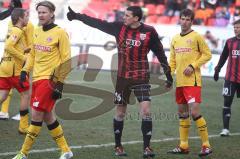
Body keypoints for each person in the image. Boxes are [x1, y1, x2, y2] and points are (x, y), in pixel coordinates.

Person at [67, 5, 173, 158]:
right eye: (124, 15)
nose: (124, 18)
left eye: (127, 15)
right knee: (120, 113)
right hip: (122, 78)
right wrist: (77, 16)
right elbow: (98, 23)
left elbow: (160, 53)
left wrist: (168, 75)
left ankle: (147, 148)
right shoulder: (118, 27)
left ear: (136, 18)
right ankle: (118, 146)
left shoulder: (149, 32)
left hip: (141, 77)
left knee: (146, 111)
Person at [12, 1, 73, 159]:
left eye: (44, 12)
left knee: (36, 116)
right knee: (48, 117)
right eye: (39, 12)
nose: (41, 15)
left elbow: (67, 60)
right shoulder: (37, 31)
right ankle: (66, 150)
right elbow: (32, 54)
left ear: (52, 13)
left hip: (50, 81)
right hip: (37, 79)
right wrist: (25, 71)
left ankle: (23, 153)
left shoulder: (60, 33)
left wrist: (60, 83)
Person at [168, 9, 212, 157]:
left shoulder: (197, 37)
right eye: (183, 18)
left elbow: (207, 55)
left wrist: (193, 66)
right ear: (179, 20)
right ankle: (183, 146)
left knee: (194, 112)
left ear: (192, 21)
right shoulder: (174, 39)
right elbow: (172, 60)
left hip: (192, 82)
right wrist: (169, 75)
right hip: (179, 82)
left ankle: (206, 145)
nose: (184, 21)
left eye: (187, 19)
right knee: (182, 113)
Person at [0, 8, 30, 134]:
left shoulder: (13, 30)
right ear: (20, 18)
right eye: (26, 16)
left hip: (4, 66)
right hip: (14, 69)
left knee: (3, 95)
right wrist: (23, 57)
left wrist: (26, 49)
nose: (28, 18)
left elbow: (11, 46)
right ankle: (23, 126)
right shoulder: (18, 30)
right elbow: (8, 46)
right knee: (26, 94)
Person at [214, 19, 240, 137]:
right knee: (227, 102)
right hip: (230, 79)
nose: (236, 29)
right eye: (235, 27)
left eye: (238, 27)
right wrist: (217, 69)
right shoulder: (230, 42)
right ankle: (225, 129)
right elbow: (223, 56)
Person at [0, 0, 23, 120]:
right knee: (5, 89)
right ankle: (4, 111)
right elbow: (8, 42)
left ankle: (24, 114)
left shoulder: (26, 25)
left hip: (21, 62)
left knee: (26, 91)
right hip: (8, 61)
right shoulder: (11, 23)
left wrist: (26, 59)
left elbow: (28, 42)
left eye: (10, 7)